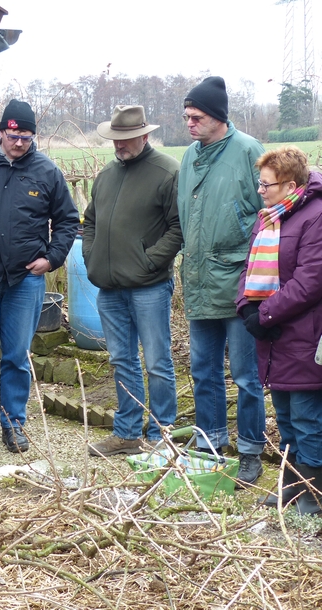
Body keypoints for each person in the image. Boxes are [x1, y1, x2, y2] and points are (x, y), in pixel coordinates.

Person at [0, 99, 79, 455]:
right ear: (2, 130)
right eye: (14, 135)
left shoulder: (46, 171)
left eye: (26, 136)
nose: (20, 143)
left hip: (26, 280)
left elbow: (68, 220)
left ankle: (14, 423)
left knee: (16, 355)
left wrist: (52, 258)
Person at [178, 76, 266, 485]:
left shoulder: (248, 151)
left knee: (246, 374)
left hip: (238, 284)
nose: (189, 124)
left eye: (196, 117)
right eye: (187, 117)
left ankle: (250, 449)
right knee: (203, 370)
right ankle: (210, 444)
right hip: (198, 281)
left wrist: (260, 276)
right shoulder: (188, 156)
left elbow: (267, 215)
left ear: (217, 117)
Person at [82, 105, 182, 456]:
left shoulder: (167, 171)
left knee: (157, 361)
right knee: (121, 360)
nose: (119, 146)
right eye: (115, 140)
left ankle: (161, 437)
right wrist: (91, 255)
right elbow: (90, 220)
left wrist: (149, 261)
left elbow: (178, 228)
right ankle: (126, 433)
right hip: (109, 288)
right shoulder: (106, 175)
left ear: (144, 135)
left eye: (125, 140)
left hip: (150, 287)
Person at [235, 146, 322, 514]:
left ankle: (313, 496)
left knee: (307, 418)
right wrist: (245, 308)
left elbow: (311, 280)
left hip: (303, 333)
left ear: (289, 185)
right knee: (285, 417)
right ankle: (291, 487)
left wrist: (265, 315)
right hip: (272, 337)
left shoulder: (315, 216)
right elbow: (249, 265)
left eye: (265, 184)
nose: (260, 191)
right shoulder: (271, 215)